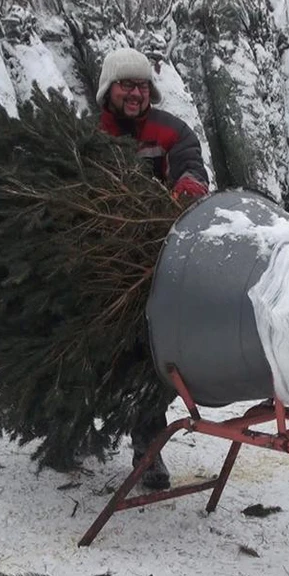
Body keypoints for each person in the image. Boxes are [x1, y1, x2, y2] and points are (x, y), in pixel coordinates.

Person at [97, 47, 210, 490]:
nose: (135, 93)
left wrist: (185, 189)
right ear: (109, 89)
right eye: (126, 84)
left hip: (154, 258)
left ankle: (149, 447)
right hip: (102, 258)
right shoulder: (89, 135)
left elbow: (192, 170)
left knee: (150, 355)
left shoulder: (170, 131)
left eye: (142, 86)